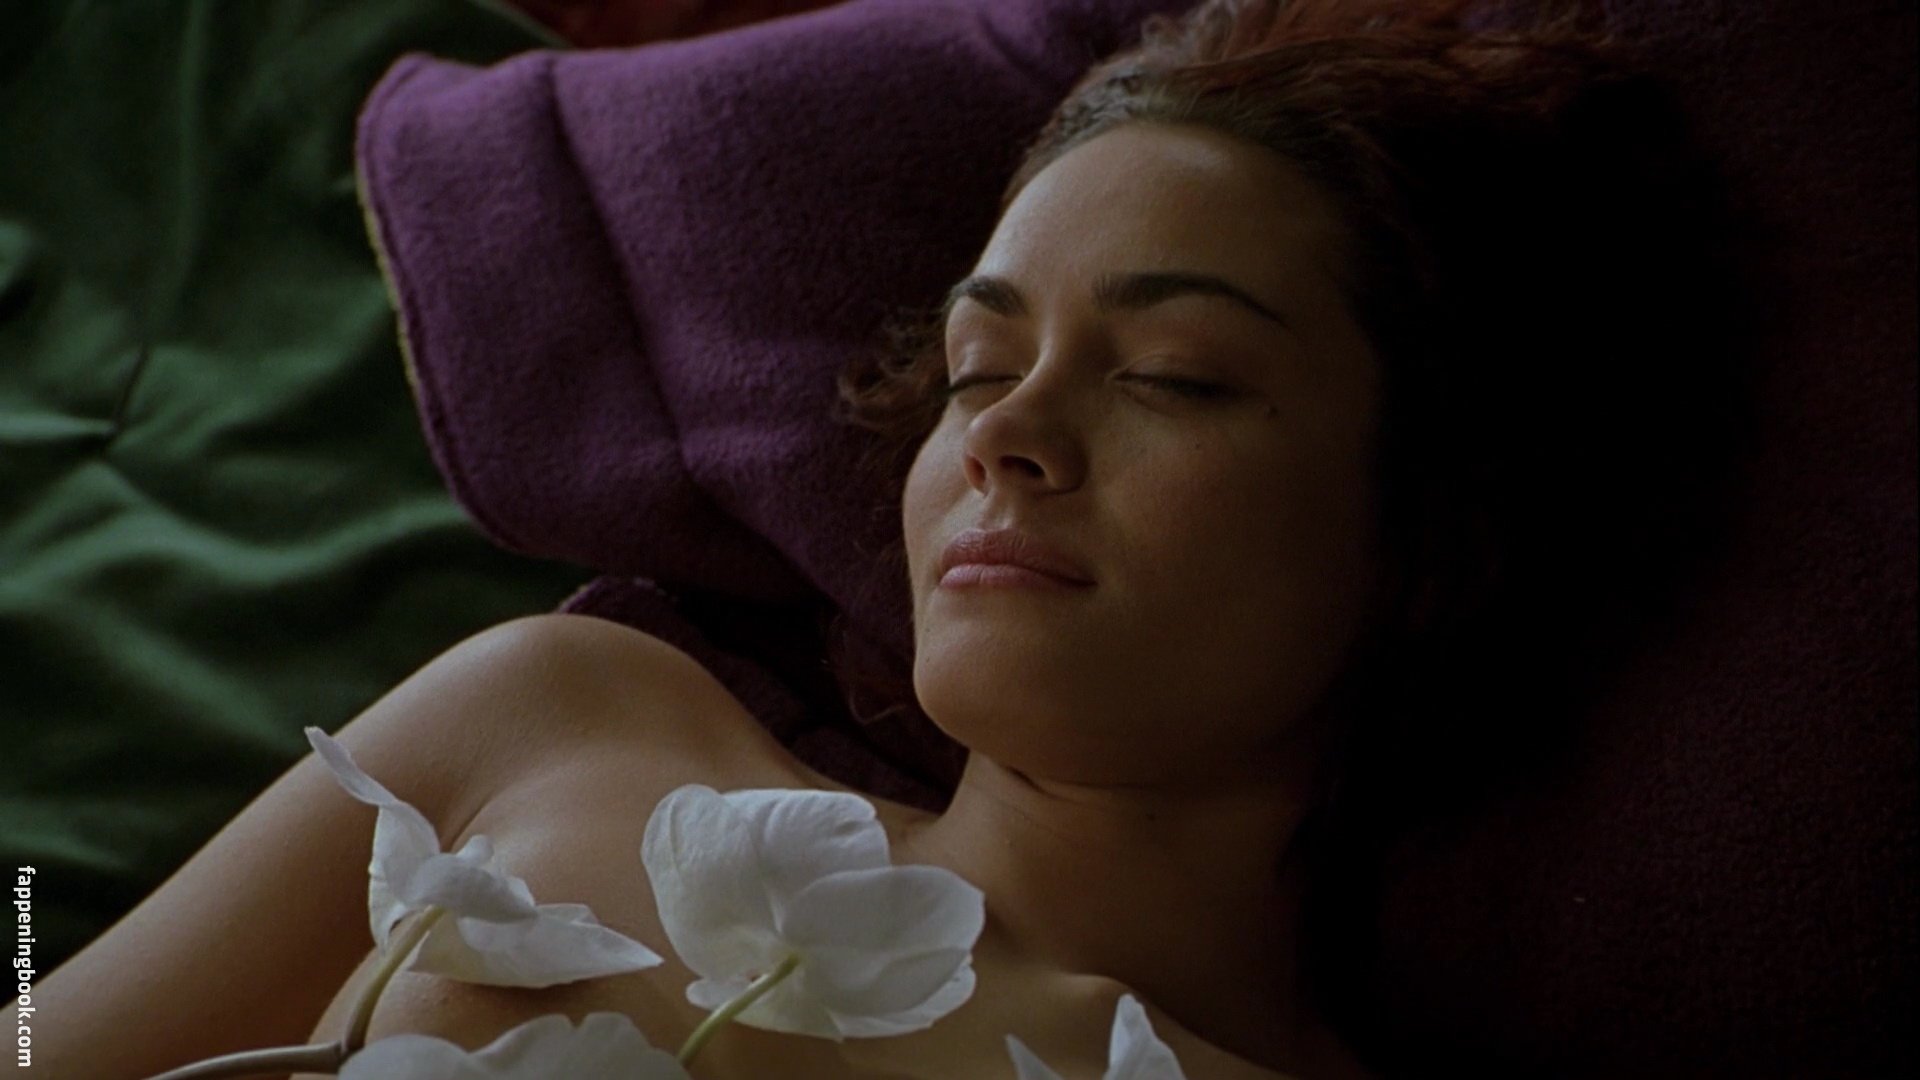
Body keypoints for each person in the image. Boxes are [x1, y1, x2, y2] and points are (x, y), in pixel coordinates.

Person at [11, 0, 1758, 1076]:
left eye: (1174, 374)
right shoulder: (557, 716)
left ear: (1433, 512)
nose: (1005, 433)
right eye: (978, 368)